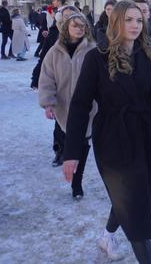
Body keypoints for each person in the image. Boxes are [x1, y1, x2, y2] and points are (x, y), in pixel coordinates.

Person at [63, 0, 151, 263]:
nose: (135, 25)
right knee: (135, 204)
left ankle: (108, 235)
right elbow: (80, 105)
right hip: (111, 139)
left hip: (142, 135)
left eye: (139, 20)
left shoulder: (147, 55)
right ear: (116, 22)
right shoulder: (97, 57)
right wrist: (71, 151)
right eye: (129, 20)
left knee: (137, 198)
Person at [38, 13, 96, 199]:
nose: (79, 29)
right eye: (75, 25)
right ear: (66, 28)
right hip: (64, 107)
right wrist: (48, 103)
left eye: (82, 26)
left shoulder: (93, 50)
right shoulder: (55, 52)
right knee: (69, 141)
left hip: (89, 107)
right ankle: (64, 159)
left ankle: (77, 183)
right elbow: (47, 78)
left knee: (83, 142)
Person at [31, 5, 81, 167]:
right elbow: (45, 60)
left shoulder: (86, 38)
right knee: (60, 125)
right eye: (66, 16)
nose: (69, 19)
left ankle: (77, 151)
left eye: (72, 16)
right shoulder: (54, 34)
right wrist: (35, 78)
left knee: (80, 123)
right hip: (62, 91)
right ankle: (60, 151)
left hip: (81, 91)